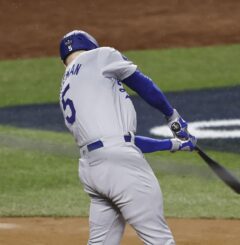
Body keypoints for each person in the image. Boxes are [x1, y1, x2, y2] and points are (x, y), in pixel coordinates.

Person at [59, 30, 196, 245]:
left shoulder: (66, 86)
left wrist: (174, 144)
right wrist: (172, 116)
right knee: (159, 240)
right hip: (120, 166)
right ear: (92, 46)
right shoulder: (101, 56)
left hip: (91, 170)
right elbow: (143, 84)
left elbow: (118, 142)